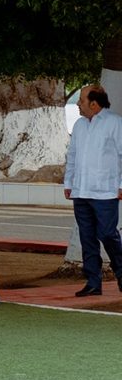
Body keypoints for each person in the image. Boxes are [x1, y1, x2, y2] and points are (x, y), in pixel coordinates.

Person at [62, 85, 122, 298]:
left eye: (81, 100)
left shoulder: (115, 123)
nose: (78, 104)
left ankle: (121, 271)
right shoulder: (79, 125)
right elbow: (72, 155)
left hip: (105, 192)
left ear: (94, 104)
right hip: (81, 191)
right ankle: (93, 282)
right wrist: (68, 182)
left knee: (107, 234)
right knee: (87, 238)